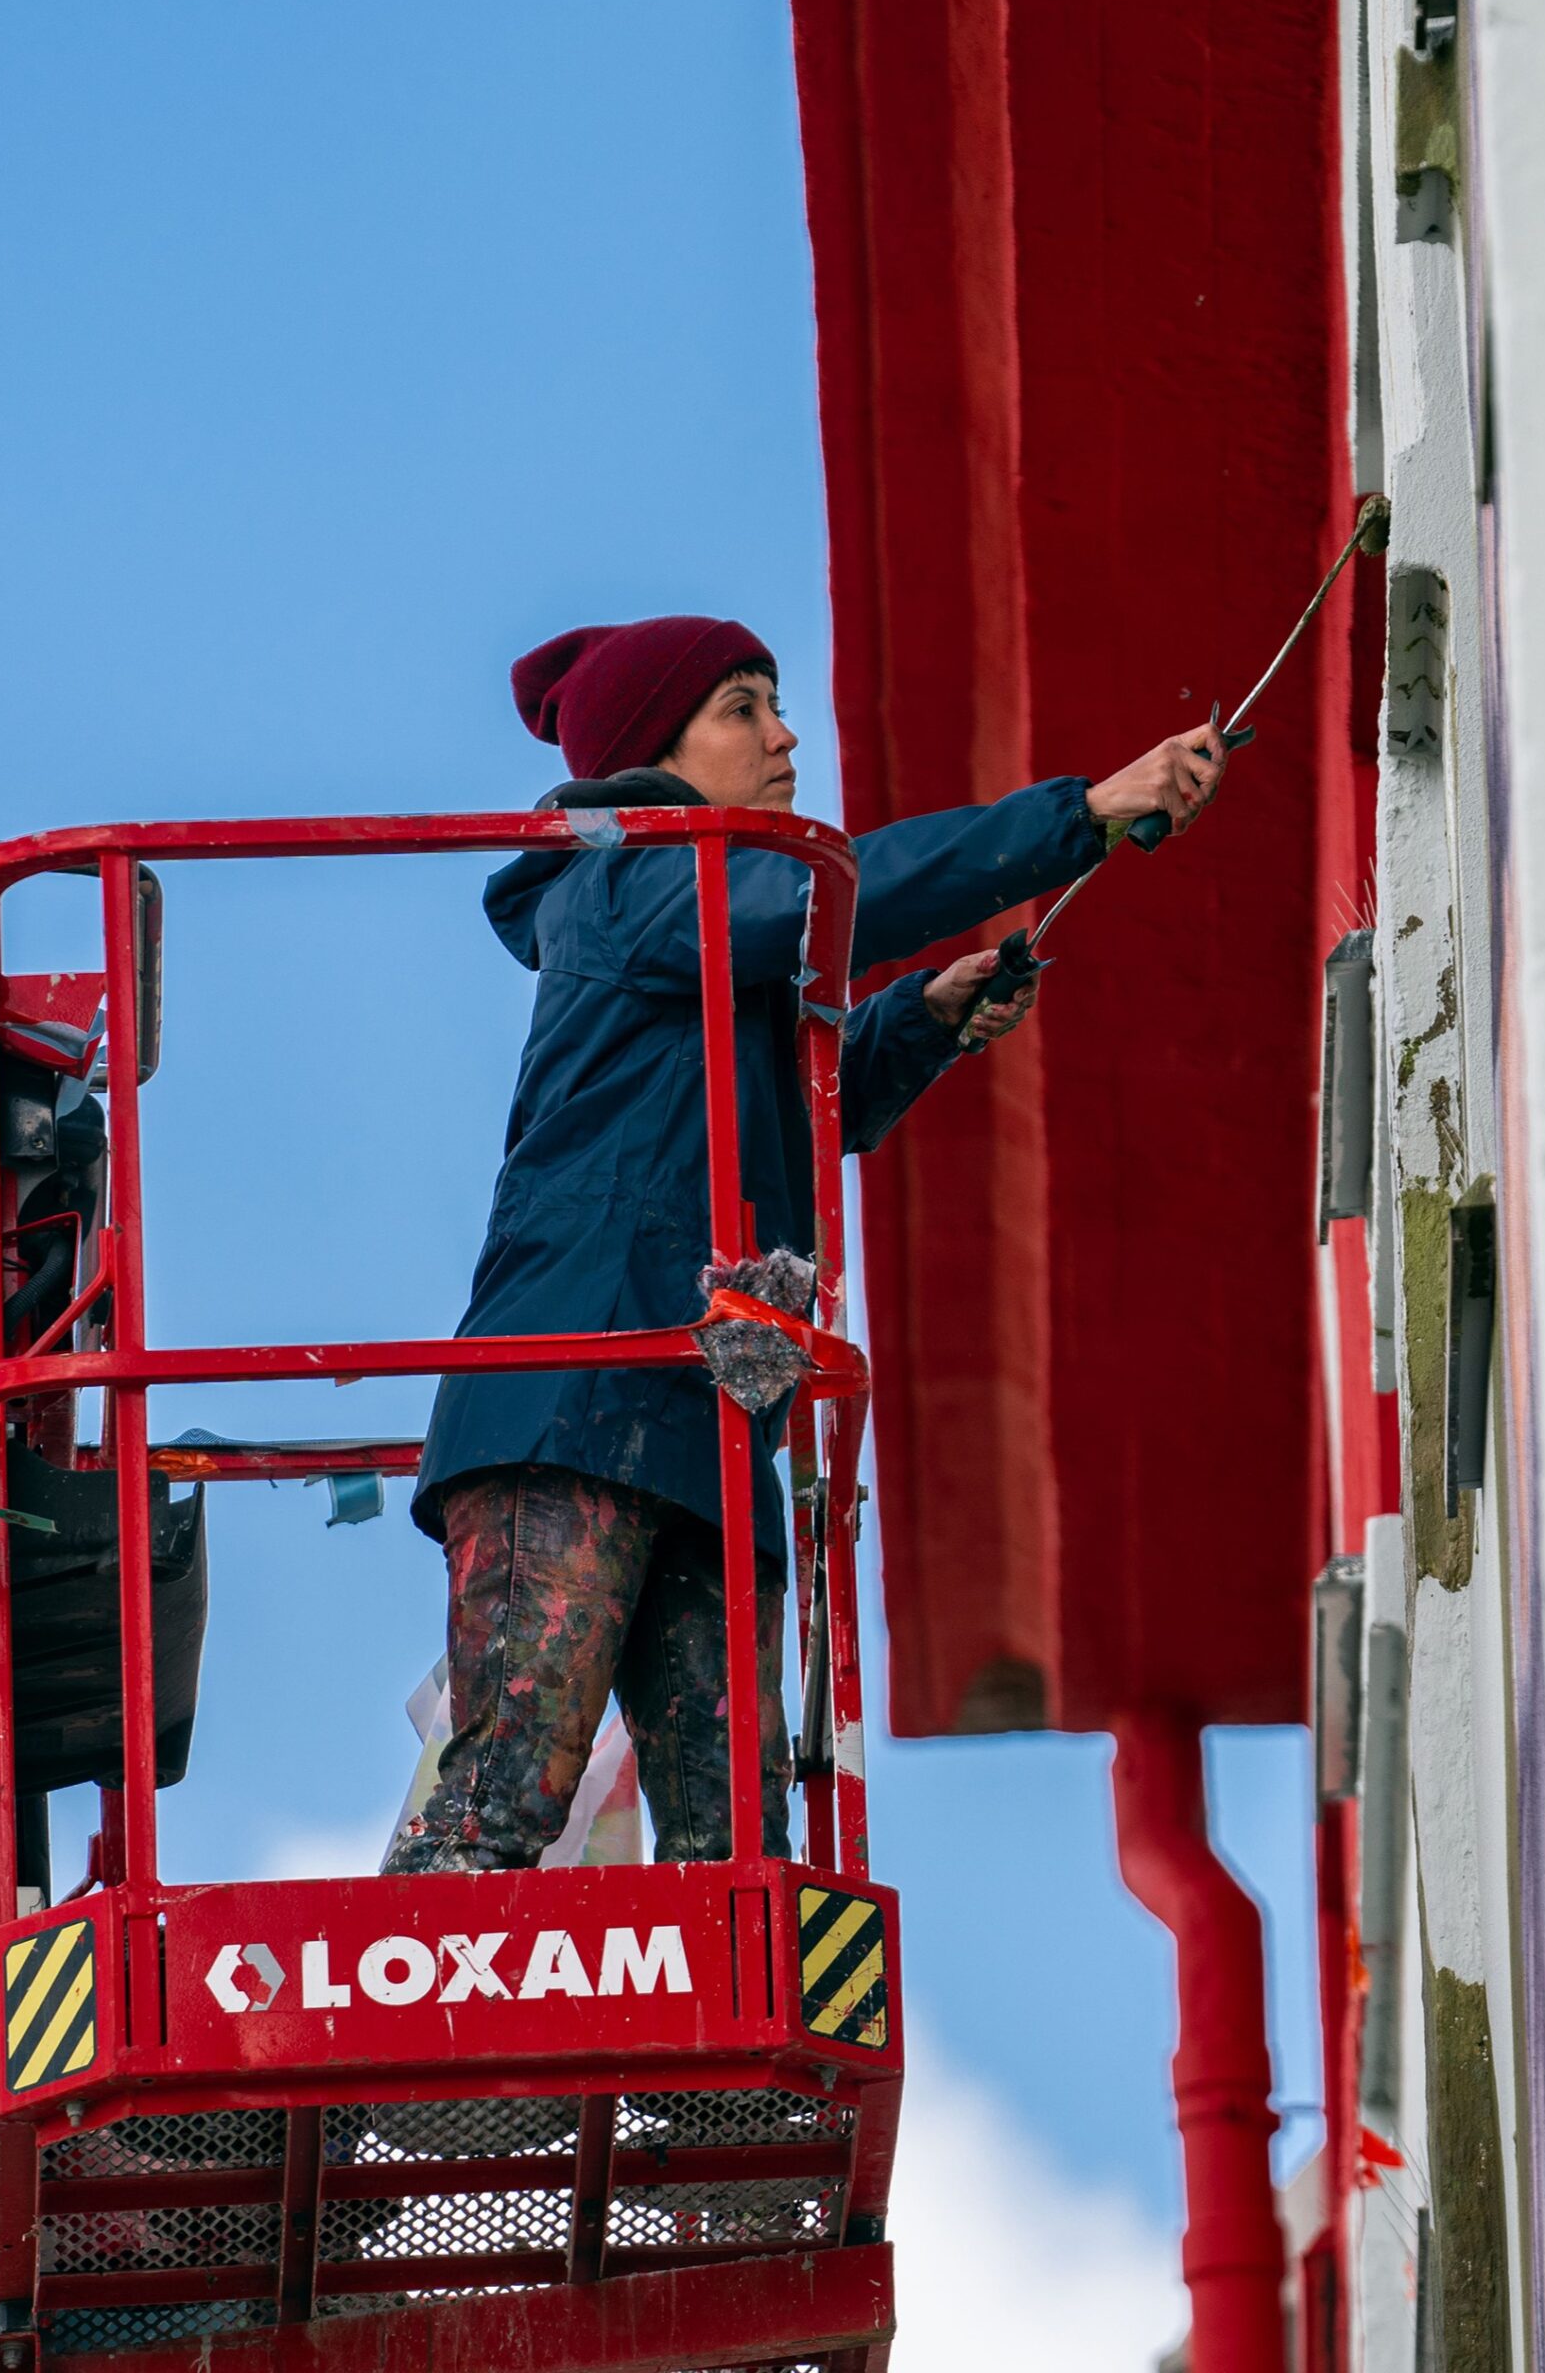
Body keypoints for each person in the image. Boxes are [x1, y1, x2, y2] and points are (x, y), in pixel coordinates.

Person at [386, 612, 1225, 1873]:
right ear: (651, 752)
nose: (785, 736)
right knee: (501, 1801)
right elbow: (842, 891)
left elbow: (787, 1115)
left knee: (736, 1854)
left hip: (706, 1417)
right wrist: (1081, 815)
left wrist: (917, 1021)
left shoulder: (702, 933)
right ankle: (425, 2066)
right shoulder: (627, 879)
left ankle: (710, 2083)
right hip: (572, 1394)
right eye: (742, 706)